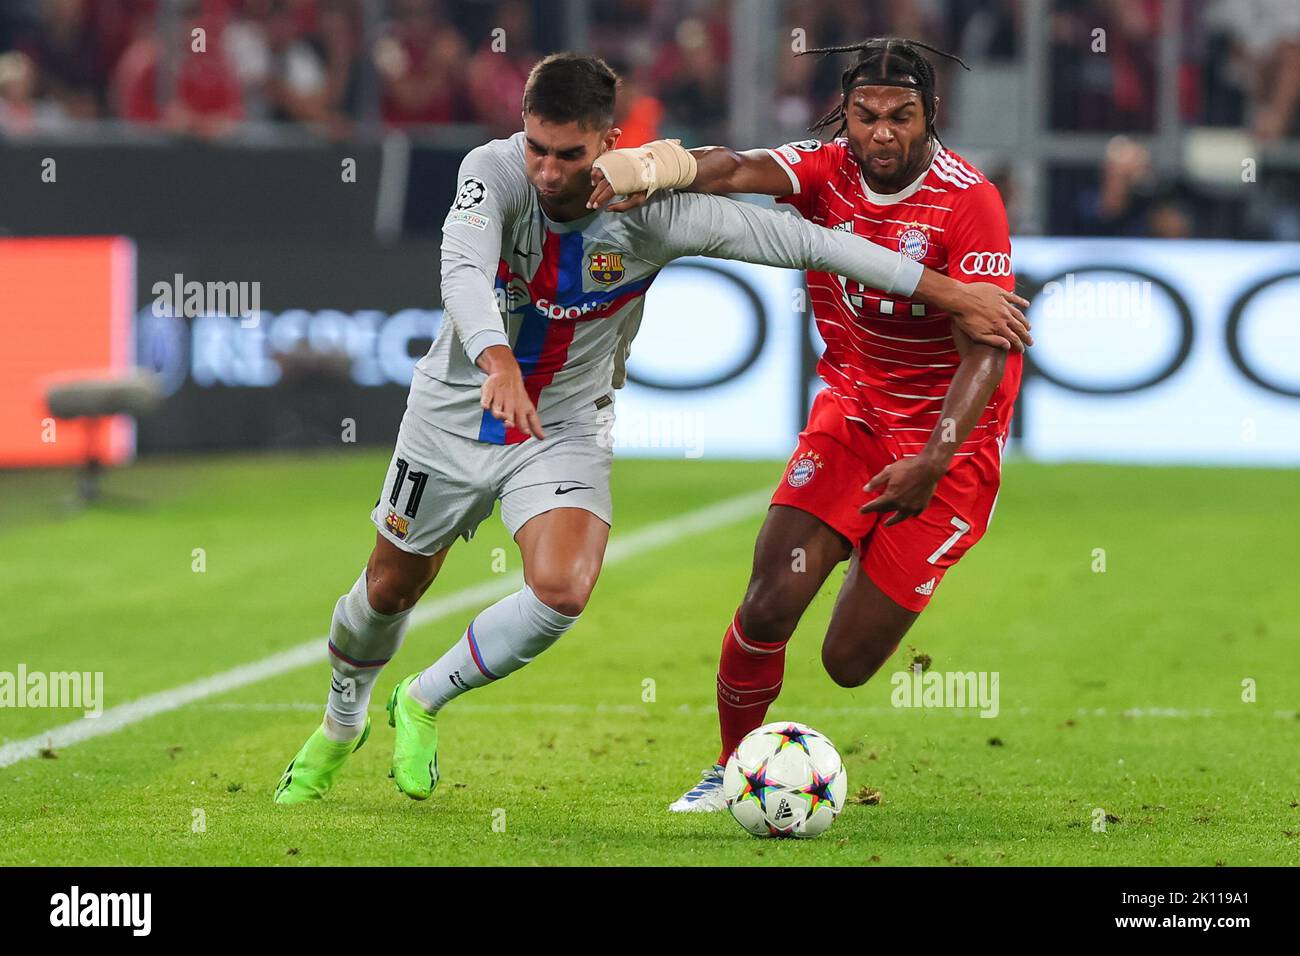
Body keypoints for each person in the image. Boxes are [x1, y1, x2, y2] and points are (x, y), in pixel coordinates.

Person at [273, 52, 1030, 805]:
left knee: (563, 590)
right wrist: (496, 360)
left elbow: (805, 243)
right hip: (453, 409)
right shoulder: (491, 169)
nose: (544, 170)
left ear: (608, 144)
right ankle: (343, 721)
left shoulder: (656, 213)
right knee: (390, 586)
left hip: (564, 421)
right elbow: (462, 268)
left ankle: (422, 699)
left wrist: (948, 293)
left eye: (568, 154)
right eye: (536, 146)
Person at [589, 37, 1027, 813]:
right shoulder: (826, 170)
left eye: (901, 116)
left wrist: (932, 462)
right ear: (845, 115)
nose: (881, 133)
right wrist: (654, 167)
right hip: (852, 415)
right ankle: (731, 773)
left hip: (947, 448)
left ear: (932, 116)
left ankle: (872, 553)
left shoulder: (970, 202)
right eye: (865, 116)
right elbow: (730, 169)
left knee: (847, 662)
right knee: (767, 603)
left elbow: (987, 352)